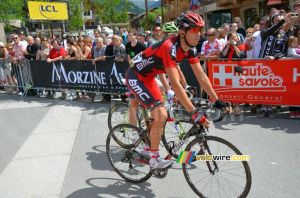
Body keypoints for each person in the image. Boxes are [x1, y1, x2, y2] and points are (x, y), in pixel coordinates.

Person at [126, 13, 231, 170]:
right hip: (135, 76)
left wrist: (217, 100)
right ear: (183, 32)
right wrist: (193, 112)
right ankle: (154, 159)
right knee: (160, 113)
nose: (198, 34)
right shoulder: (169, 46)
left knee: (161, 113)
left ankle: (148, 143)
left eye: (200, 30)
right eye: (194, 29)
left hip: (149, 77)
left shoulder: (190, 49)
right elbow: (174, 82)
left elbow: (201, 76)